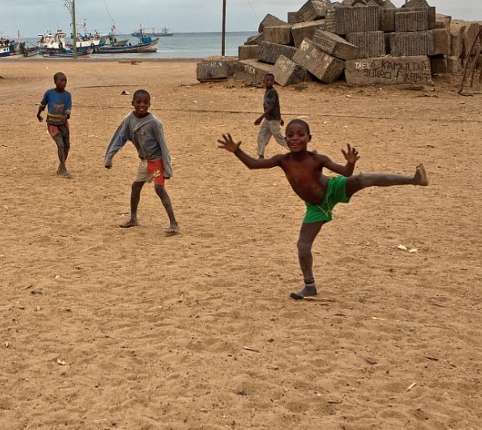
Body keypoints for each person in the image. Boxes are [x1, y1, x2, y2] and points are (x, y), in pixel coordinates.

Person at [218, 119, 428, 300]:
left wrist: (351, 163)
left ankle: (414, 180)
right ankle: (309, 286)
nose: (295, 138)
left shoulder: (317, 159)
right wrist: (237, 151)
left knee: (364, 179)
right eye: (290, 135)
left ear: (309, 138)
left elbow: (345, 173)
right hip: (316, 207)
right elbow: (253, 165)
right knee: (303, 246)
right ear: (285, 139)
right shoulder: (282, 160)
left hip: (333, 189)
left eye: (300, 135)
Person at [104, 89, 179, 235]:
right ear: (132, 103)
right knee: (136, 187)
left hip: (157, 161)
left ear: (150, 104)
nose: (142, 105)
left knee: (159, 189)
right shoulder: (129, 120)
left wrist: (167, 168)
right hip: (145, 161)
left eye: (145, 102)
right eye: (138, 102)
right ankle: (133, 218)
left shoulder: (154, 123)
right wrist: (109, 157)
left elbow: (163, 145)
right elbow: (119, 137)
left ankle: (173, 223)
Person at [36, 71, 72, 177]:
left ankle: (61, 167)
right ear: (55, 82)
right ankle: (63, 168)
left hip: (63, 124)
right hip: (52, 124)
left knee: (66, 146)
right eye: (61, 81)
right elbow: (43, 104)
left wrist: (65, 116)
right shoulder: (49, 93)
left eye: (65, 81)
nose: (64, 83)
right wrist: (38, 114)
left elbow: (68, 109)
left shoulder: (67, 95)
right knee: (60, 144)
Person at [255, 72, 288, 159]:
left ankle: (295, 151)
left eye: (271, 80)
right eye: (267, 80)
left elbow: (272, 106)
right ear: (264, 81)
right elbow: (277, 106)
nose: (269, 82)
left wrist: (260, 118)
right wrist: (280, 118)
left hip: (273, 120)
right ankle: (261, 156)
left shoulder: (273, 92)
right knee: (261, 136)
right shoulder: (267, 91)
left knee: (279, 138)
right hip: (267, 119)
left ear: (274, 82)